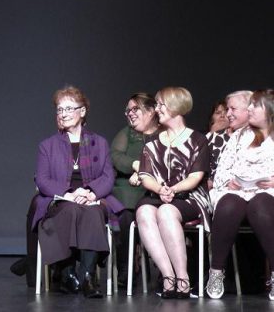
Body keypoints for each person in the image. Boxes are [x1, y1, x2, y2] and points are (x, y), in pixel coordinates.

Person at [28, 86, 121, 298]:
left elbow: (108, 177)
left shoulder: (100, 142)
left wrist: (91, 194)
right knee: (69, 210)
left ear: (83, 111)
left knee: (93, 212)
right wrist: (68, 194)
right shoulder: (47, 146)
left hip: (91, 198)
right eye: (60, 110)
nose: (64, 114)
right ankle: (67, 273)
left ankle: (87, 276)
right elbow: (42, 180)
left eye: (69, 108)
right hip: (60, 199)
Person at [135, 87, 211, 299]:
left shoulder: (198, 140)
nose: (157, 109)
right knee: (144, 212)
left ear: (176, 106)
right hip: (158, 195)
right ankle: (168, 277)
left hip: (189, 197)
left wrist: (173, 189)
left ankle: (183, 278)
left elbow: (196, 177)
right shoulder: (152, 143)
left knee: (167, 212)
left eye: (161, 105)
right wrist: (160, 189)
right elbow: (145, 175)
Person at [206, 89, 274, 300]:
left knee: (260, 205)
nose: (250, 109)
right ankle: (216, 271)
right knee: (229, 205)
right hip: (237, 191)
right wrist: (231, 182)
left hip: (267, 192)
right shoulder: (239, 136)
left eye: (255, 105)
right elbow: (221, 173)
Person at [110, 93, 160, 287]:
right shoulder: (127, 133)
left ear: (150, 111)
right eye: (127, 110)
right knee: (123, 214)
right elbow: (115, 156)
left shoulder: (163, 133)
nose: (130, 114)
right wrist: (136, 164)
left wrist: (145, 173)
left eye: (135, 109)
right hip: (127, 188)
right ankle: (127, 265)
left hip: (155, 186)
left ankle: (166, 269)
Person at [206, 93, 253, 188]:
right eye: (218, 113)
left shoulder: (261, 136)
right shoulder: (214, 138)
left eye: (233, 109)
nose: (226, 115)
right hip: (219, 190)